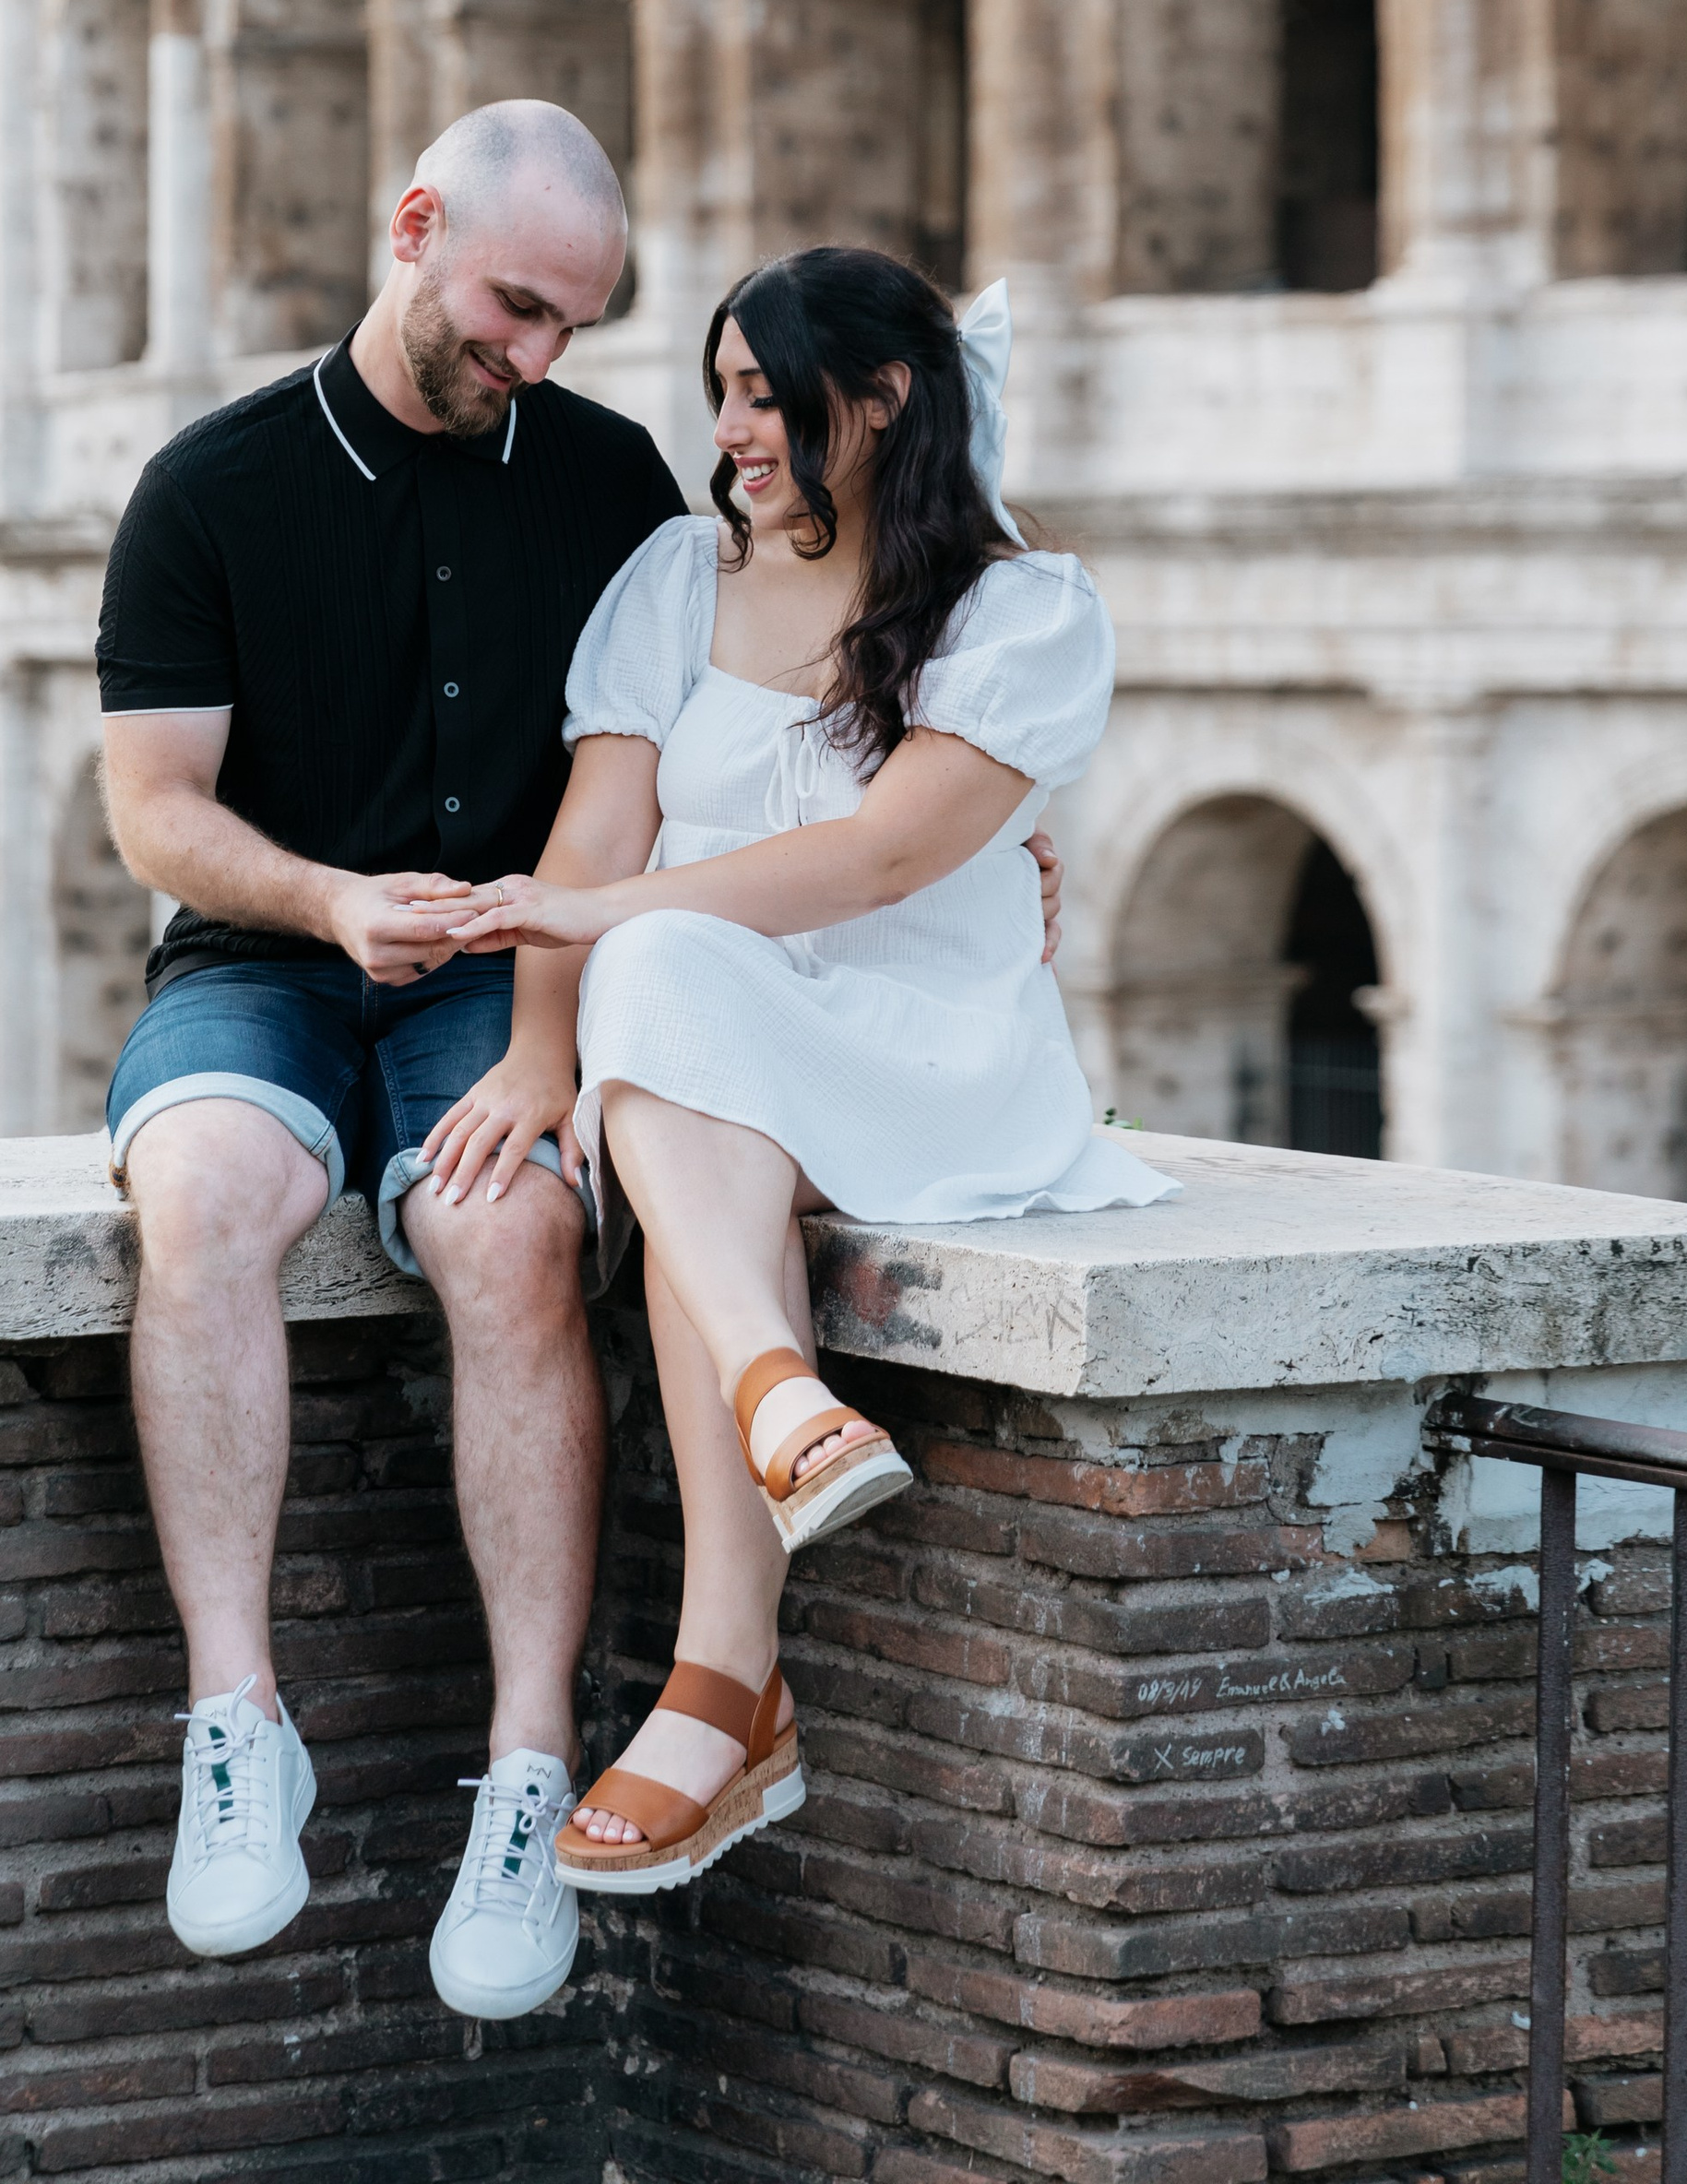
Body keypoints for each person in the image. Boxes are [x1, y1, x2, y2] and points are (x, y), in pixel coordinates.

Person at [93, 103, 1073, 2008]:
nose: (535, 360)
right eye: (514, 309)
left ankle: (532, 1766)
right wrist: (323, 899)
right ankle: (238, 1726)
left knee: (519, 1237)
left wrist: (983, 846)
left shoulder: (618, 482)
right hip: (273, 952)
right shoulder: (206, 485)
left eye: (571, 328)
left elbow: (774, 706)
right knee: (204, 1199)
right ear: (411, 230)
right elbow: (154, 810)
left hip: (515, 964)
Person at [426, 245, 1175, 1894]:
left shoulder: (1022, 607)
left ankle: (730, 1670)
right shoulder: (673, 581)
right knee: (687, 1052)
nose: (731, 428)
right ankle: (769, 1464)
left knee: (669, 979)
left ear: (884, 400)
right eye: (722, 392)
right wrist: (540, 1052)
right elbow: (594, 829)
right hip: (706, 1063)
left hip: (928, 1053)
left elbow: (877, 864)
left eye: (764, 393)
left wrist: (604, 933)